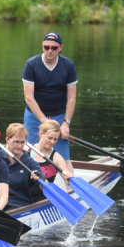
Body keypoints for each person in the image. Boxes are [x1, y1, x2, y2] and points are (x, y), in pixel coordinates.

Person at [22, 31, 77, 173]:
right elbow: (29, 97)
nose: (50, 51)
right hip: (34, 116)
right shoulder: (31, 64)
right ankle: (25, 181)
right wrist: (44, 121)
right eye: (46, 47)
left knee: (64, 158)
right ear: (42, 46)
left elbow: (71, 98)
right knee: (28, 152)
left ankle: (71, 184)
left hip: (59, 116)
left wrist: (66, 123)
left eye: (54, 48)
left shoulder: (68, 65)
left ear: (60, 48)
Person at [27, 120, 73, 201]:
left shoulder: (57, 158)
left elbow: (67, 178)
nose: (52, 142)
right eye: (50, 138)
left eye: (55, 139)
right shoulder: (26, 149)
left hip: (42, 199)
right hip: (23, 196)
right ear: (41, 134)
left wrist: (69, 178)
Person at [3, 124, 42, 208]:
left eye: (22, 142)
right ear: (7, 140)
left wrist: (40, 179)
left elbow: (43, 186)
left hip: (18, 206)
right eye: (16, 142)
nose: (20, 146)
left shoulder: (31, 163)